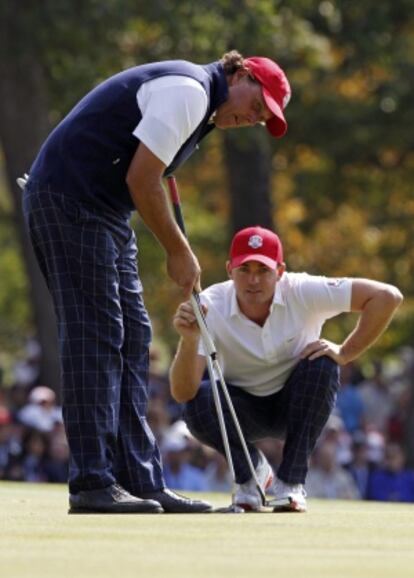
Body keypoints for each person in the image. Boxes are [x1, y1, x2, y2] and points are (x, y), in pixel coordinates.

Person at [21, 51, 291, 514]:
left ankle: (139, 480)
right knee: (97, 334)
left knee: (135, 338)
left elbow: (143, 178)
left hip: (103, 211)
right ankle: (92, 481)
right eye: (258, 104)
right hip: (68, 200)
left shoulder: (202, 111)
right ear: (240, 73)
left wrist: (175, 245)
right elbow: (143, 179)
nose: (254, 118)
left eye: (263, 119)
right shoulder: (188, 92)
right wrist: (178, 249)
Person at [170, 226, 403, 512]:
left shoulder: (302, 290)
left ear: (280, 271)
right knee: (198, 403)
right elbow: (183, 392)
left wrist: (346, 352)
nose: (253, 280)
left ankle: (290, 484)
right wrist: (189, 338)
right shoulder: (208, 304)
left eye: (263, 270)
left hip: (297, 403)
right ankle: (250, 475)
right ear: (229, 269)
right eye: (244, 269)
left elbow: (387, 297)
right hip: (240, 410)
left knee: (324, 363)